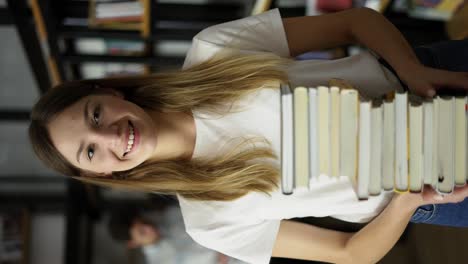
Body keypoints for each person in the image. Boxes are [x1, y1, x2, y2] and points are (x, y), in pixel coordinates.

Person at [29, 7, 468, 264]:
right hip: (432, 186)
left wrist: (412, 70)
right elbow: (349, 253)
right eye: (90, 151)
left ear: (106, 91)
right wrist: (409, 201)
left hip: (429, 79)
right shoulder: (208, 222)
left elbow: (354, 22)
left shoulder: (212, 51)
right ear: (102, 173)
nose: (108, 136)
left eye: (95, 114)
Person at [108, 204, 244, 264]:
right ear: (133, 243)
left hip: (240, 236)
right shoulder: (160, 262)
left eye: (144, 222)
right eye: (142, 232)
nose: (150, 228)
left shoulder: (172, 214)